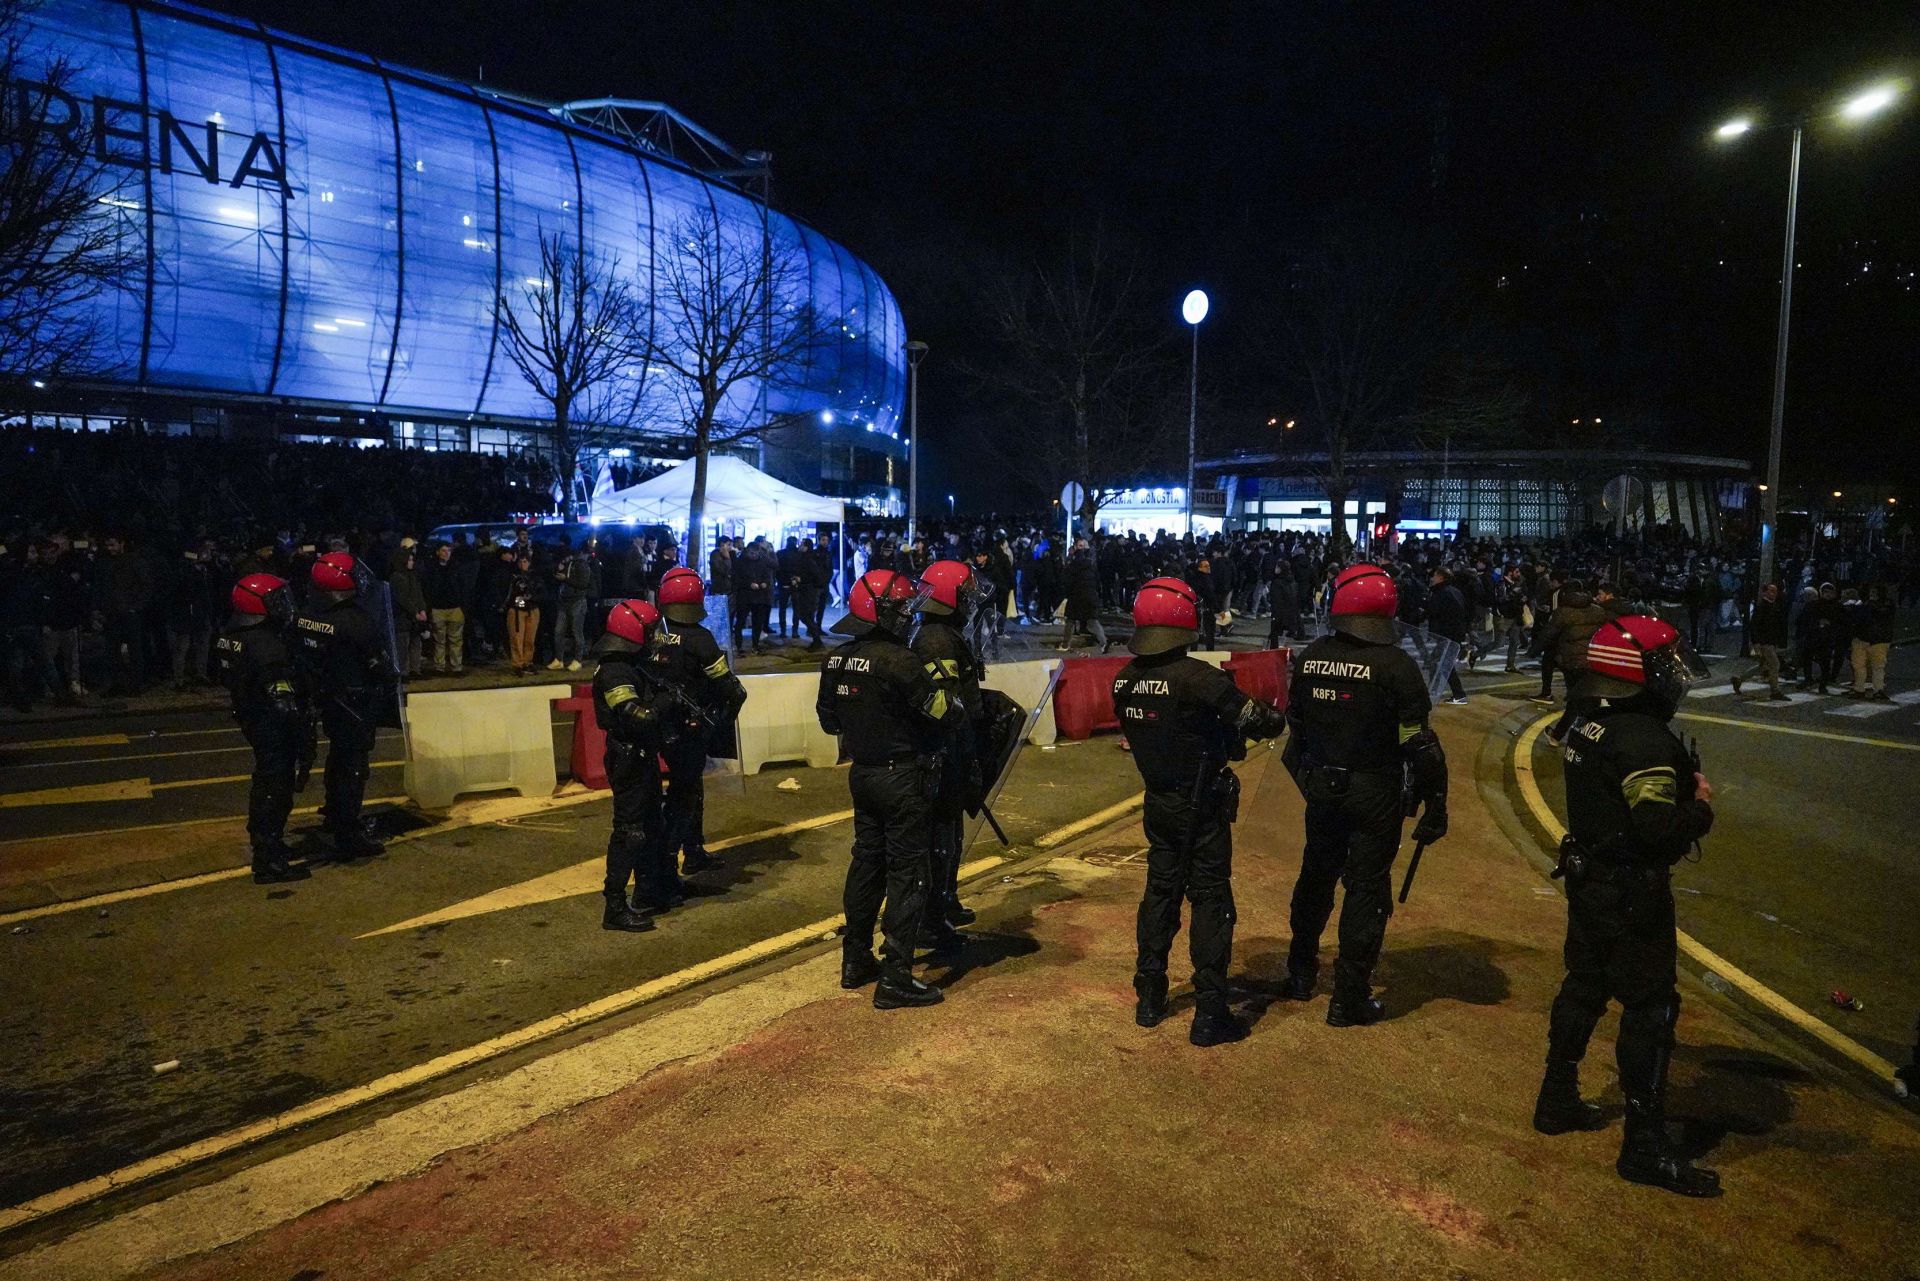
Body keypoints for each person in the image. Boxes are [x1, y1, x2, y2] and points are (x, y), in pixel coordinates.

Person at [1537, 615, 1720, 1197]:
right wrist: (1700, 809)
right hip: (1631, 891)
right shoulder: (1644, 738)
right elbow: (1657, 829)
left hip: (1589, 879)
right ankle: (1644, 1145)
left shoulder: (1589, 721)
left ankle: (1556, 1098)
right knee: (1651, 1007)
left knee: (1584, 985)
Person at [1113, 577, 1287, 1046]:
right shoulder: (1199, 679)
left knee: (1160, 894)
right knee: (1210, 900)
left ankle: (1149, 996)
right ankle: (1210, 1011)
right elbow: (1263, 720)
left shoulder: (1125, 679)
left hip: (1158, 802)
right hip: (1201, 805)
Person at [1282, 563, 1448, 1028]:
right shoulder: (1397, 665)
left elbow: (1296, 723)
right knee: (1367, 888)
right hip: (1375, 788)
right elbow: (1419, 741)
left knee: (1315, 876)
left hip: (1321, 786)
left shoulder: (1313, 655)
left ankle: (1299, 972)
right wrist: (1436, 799)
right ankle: (1348, 997)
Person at [816, 568, 960, 1009]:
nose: (906, 615)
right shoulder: (902, 661)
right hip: (903, 778)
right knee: (908, 872)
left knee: (866, 864)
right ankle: (896, 974)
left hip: (863, 775)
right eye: (900, 607)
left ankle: (855, 958)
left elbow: (829, 721)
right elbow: (943, 713)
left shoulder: (836, 659)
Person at [293, 553, 393, 860]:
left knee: (337, 759)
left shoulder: (308, 614)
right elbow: (379, 664)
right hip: (354, 701)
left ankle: (334, 813)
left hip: (326, 698)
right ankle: (348, 831)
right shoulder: (357, 620)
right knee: (352, 767)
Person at [214, 573, 312, 884]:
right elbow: (281, 698)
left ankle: (269, 845)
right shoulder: (266, 645)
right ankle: (268, 857)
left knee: (268, 779)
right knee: (275, 784)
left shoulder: (231, 635)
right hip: (271, 722)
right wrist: (302, 732)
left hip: (250, 715)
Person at [912, 559, 989, 946]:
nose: (970, 602)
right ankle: (931, 917)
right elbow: (948, 704)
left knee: (950, 832)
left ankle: (946, 899)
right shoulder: (937, 639)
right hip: (943, 751)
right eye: (965, 595)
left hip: (953, 750)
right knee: (939, 835)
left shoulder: (946, 633)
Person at [652, 567, 748, 877]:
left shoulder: (653, 633)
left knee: (683, 789)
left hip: (658, 725)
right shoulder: (701, 639)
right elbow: (732, 690)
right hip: (690, 728)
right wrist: (718, 724)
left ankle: (691, 850)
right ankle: (668, 861)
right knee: (686, 794)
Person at [591, 599, 673, 931]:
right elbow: (640, 717)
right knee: (630, 832)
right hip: (628, 757)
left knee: (652, 824)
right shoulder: (614, 672)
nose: (655, 637)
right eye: (650, 631)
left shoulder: (632, 665)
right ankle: (614, 906)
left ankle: (648, 891)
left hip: (641, 755)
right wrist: (668, 699)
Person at [1538, 578, 1609, 744]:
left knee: (1576, 701)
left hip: (1572, 662)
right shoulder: (1598, 611)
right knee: (1589, 699)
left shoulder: (1563, 612)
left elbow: (1549, 634)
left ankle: (1561, 736)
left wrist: (1534, 650)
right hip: (1592, 660)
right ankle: (1565, 735)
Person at [1730, 582, 1789, 701]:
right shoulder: (1762, 607)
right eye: (1771, 591)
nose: (1774, 594)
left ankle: (1739, 679)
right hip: (1765, 641)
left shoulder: (1772, 606)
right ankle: (1775, 690)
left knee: (1764, 666)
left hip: (1769, 640)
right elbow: (1755, 626)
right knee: (1774, 664)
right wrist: (1756, 642)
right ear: (1765, 592)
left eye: (1775, 591)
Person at [1424, 566, 1470, 704]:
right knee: (1436, 662)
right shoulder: (1454, 591)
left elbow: (1436, 612)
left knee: (1444, 665)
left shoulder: (1443, 593)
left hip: (1447, 634)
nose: (1433, 578)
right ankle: (1435, 689)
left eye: (1435, 575)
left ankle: (1459, 694)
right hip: (1451, 634)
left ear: (1441, 577)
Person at [422, 542, 466, 674]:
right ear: (438, 552)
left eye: (449, 551)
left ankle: (456, 666)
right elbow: (428, 588)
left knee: (456, 640)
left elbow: (463, 587)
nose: (447, 553)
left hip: (454, 607)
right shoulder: (431, 569)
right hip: (438, 608)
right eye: (444, 550)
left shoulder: (456, 568)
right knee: (439, 640)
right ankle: (439, 667)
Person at [1061, 536, 1110, 652]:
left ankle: (1065, 645)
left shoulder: (1073, 563)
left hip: (1076, 596)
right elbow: (1097, 580)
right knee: (1092, 620)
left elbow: (1067, 580)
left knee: (1071, 620)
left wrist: (1066, 594)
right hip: (1090, 596)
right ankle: (1104, 642)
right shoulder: (1091, 563)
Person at [1848, 583, 1896, 700]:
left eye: (1874, 593)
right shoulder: (1881, 605)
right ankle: (1866, 689)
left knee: (1872, 666)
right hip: (1871, 639)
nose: (1872, 595)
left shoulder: (1877, 606)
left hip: (1873, 640)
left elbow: (1860, 619)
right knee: (1865, 666)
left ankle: (1870, 690)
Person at [552, 546, 593, 671]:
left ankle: (578, 660)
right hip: (564, 601)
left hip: (577, 601)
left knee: (577, 632)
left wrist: (566, 579)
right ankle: (559, 659)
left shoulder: (583, 566)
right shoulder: (568, 564)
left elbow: (583, 584)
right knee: (559, 631)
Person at [505, 552, 542, 675]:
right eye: (520, 561)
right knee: (517, 638)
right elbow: (511, 595)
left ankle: (528, 662)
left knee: (530, 639)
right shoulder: (512, 576)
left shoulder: (535, 576)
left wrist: (530, 599)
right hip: (517, 610)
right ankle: (518, 664)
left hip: (532, 609)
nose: (522, 564)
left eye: (525, 561)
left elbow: (541, 592)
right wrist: (522, 603)